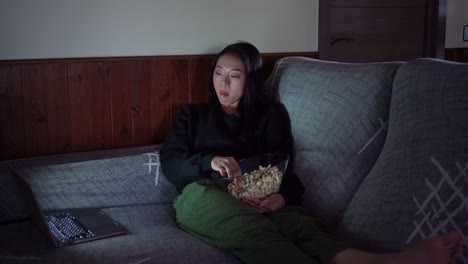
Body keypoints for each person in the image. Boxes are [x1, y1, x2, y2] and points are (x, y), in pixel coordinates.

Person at [160, 41, 463, 264]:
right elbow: (171, 161)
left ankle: (384, 262)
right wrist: (208, 161)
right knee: (252, 231)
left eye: (234, 75)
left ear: (249, 78)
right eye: (218, 73)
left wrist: (283, 197)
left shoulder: (270, 116)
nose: (222, 82)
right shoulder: (194, 115)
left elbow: (284, 166)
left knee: (303, 226)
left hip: (258, 194)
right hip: (204, 191)